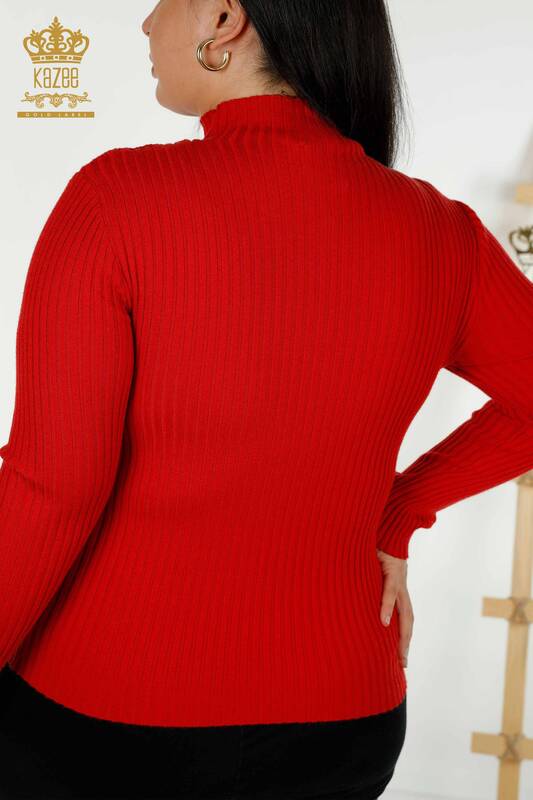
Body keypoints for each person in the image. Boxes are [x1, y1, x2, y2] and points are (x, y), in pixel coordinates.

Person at [1, 1, 532, 798]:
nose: (145, 23)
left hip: (103, 720)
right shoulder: (439, 231)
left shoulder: (117, 199)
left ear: (224, 19)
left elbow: (53, 487)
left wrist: (402, 507)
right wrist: (398, 510)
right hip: (341, 724)